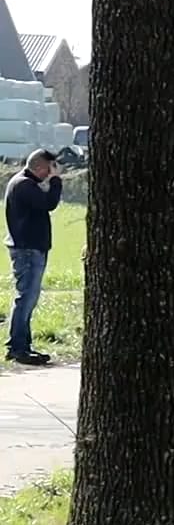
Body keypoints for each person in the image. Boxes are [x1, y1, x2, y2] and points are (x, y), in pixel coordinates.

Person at [6, 149, 63, 366]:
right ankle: (17, 347)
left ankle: (23, 345)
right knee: (26, 298)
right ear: (40, 167)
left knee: (28, 298)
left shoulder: (22, 183)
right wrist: (56, 181)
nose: (50, 172)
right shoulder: (24, 185)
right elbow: (49, 203)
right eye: (49, 168)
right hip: (28, 249)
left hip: (30, 247)